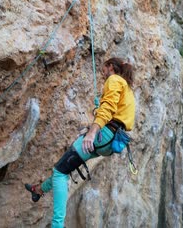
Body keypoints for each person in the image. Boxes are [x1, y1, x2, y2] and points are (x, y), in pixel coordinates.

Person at [25, 57, 136, 228]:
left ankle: (57, 225)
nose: (102, 73)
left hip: (103, 135)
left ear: (110, 67)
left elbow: (108, 108)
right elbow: (115, 110)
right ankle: (39, 189)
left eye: (103, 69)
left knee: (60, 172)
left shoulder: (114, 80)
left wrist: (92, 133)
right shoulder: (127, 89)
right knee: (65, 165)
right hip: (111, 141)